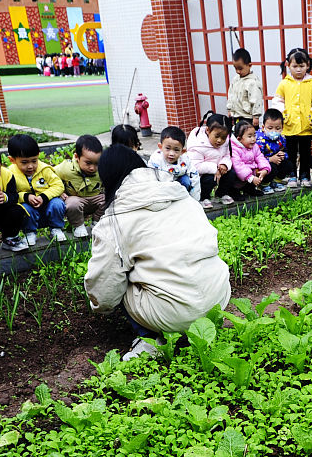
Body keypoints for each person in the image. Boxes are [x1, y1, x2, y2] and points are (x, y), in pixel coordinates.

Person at [84, 146, 232, 360]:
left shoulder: (115, 220)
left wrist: (100, 306)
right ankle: (200, 329)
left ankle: (151, 340)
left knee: (114, 277)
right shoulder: (181, 195)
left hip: (173, 314)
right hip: (217, 299)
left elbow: (104, 293)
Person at [271, 47, 312, 187]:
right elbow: (277, 102)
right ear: (288, 65)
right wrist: (283, 115)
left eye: (302, 66)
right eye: (295, 66)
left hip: (306, 126)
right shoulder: (284, 83)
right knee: (291, 153)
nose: (298, 69)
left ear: (307, 65)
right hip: (289, 126)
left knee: (306, 152)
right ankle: (292, 176)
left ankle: (305, 175)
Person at [7, 133, 66, 246]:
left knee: (57, 203)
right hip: (29, 207)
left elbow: (58, 186)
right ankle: (30, 232)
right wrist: (26, 197)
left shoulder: (44, 169)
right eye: (24, 162)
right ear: (12, 160)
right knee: (23, 209)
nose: (30, 166)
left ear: (38, 155)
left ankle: (56, 228)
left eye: (34, 161)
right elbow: (10, 194)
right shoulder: (9, 174)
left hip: (47, 204)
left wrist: (44, 196)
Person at [55, 134, 104, 238]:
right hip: (75, 199)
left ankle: (97, 222)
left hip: (94, 198)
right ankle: (78, 226)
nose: (92, 168)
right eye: (88, 163)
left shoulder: (102, 170)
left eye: (96, 163)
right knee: (73, 204)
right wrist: (59, 192)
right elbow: (51, 177)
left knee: (109, 200)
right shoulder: (66, 168)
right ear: (77, 157)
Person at [187, 111, 238, 208]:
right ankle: (203, 197)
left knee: (231, 173)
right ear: (207, 130)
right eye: (217, 136)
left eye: (223, 137)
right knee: (210, 178)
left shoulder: (226, 141)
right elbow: (195, 166)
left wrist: (224, 165)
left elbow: (227, 155)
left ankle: (220, 194)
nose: (220, 140)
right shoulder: (198, 144)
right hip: (200, 177)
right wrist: (215, 169)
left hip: (218, 170)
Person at [229, 119, 271, 199]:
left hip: (250, 173)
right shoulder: (234, 149)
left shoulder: (254, 146)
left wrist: (265, 169)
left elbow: (260, 157)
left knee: (266, 169)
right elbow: (238, 166)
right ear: (239, 139)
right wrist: (250, 178)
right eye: (249, 136)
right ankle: (234, 192)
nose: (253, 139)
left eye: (254, 135)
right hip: (240, 176)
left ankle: (249, 189)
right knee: (233, 173)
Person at [148, 126, 194, 193]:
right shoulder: (156, 160)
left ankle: (184, 197)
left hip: (178, 182)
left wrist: (195, 199)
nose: (171, 153)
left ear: (182, 151)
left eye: (176, 150)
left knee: (186, 180)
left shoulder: (185, 160)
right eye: (168, 148)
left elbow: (194, 177)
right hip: (162, 186)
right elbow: (151, 179)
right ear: (160, 147)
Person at [226, 47, 264, 128]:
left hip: (248, 117)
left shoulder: (253, 82)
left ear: (249, 65)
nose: (238, 71)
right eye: (235, 68)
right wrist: (230, 109)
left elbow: (256, 100)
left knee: (249, 137)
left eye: (240, 68)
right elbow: (231, 94)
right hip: (236, 115)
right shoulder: (235, 79)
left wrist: (256, 116)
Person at [256, 109, 290, 189]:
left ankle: (276, 182)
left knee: (288, 165)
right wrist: (270, 159)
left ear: (282, 127)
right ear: (263, 127)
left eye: (277, 128)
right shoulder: (260, 140)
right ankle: (264, 184)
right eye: (270, 128)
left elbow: (285, 151)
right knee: (271, 167)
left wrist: (283, 155)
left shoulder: (281, 139)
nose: (274, 131)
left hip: (276, 162)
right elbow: (256, 158)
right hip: (263, 165)